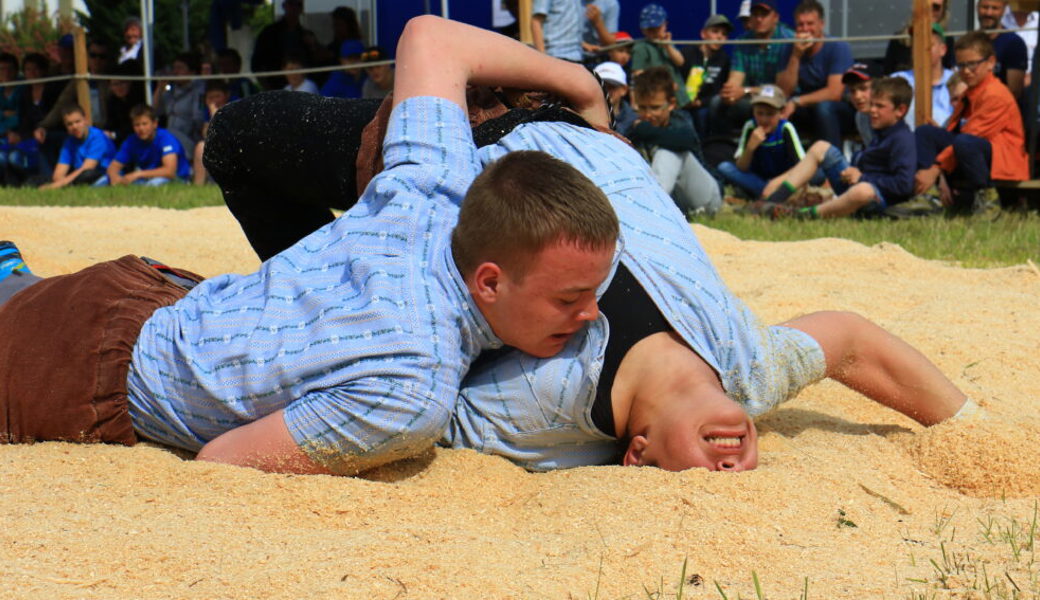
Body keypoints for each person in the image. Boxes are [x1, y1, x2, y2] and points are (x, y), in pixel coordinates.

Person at [198, 19, 972, 473]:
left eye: (706, 481)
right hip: (565, 122)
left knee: (234, 137)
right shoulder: (752, 369)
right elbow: (850, 342)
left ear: (638, 455)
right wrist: (969, 427)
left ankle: (334, 291)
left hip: (456, 165)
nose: (732, 466)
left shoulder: (542, 417)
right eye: (741, 471)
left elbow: (399, 404)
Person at [0, 16, 620, 478]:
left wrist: (581, 87)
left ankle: (18, 282)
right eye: (569, 298)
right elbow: (221, 462)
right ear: (489, 281)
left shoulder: (434, 188)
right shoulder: (410, 390)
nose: (592, 314)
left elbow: (429, 37)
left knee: (26, 294)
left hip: (149, 291)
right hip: (88, 370)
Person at [758, 77, 916, 219]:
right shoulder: (881, 131)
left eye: (880, 106)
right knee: (821, 147)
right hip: (856, 186)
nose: (873, 110)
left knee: (863, 190)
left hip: (876, 199)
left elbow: (904, 185)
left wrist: (862, 178)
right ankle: (771, 202)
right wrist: (853, 172)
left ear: (900, 110)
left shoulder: (902, 139)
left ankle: (798, 215)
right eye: (872, 104)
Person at [913, 32, 1029, 219]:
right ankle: (930, 196)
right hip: (972, 150)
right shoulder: (971, 92)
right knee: (926, 132)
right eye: (961, 65)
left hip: (1000, 159)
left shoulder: (995, 94)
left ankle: (988, 200)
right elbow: (954, 131)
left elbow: (972, 134)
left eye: (973, 64)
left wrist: (935, 169)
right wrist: (936, 171)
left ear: (991, 62)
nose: (966, 71)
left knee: (965, 142)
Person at [628, 66, 722, 216]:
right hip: (675, 204)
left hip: (704, 199)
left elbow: (686, 140)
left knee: (669, 149)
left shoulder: (681, 121)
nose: (648, 114)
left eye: (655, 107)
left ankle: (649, 210)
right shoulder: (634, 126)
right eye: (642, 107)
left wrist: (644, 130)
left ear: (671, 104)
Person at [774, 0, 854, 147]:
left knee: (824, 108)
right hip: (807, 105)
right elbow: (784, 91)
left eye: (810, 24)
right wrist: (795, 56)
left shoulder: (838, 47)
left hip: (839, 108)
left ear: (821, 25)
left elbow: (834, 93)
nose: (805, 29)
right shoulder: (789, 49)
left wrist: (796, 101)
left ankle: (831, 157)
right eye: (800, 24)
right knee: (777, 110)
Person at [713, 0, 795, 136]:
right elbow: (735, 80)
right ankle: (723, 147)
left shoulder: (788, 40)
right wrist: (729, 92)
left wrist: (745, 90)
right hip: (753, 98)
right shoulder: (742, 41)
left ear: (775, 17)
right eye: (755, 14)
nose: (759, 19)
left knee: (766, 108)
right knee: (717, 103)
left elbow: (782, 91)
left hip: (782, 98)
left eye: (764, 14)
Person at [718, 85, 810, 199]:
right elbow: (742, 168)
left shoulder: (785, 128)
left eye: (770, 114)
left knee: (815, 172)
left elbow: (802, 166)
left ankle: (767, 193)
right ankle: (769, 193)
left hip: (783, 179)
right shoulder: (750, 126)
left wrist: (775, 183)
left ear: (781, 113)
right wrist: (750, 148)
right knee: (724, 167)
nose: (764, 119)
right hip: (758, 178)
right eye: (759, 113)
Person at [105, 104, 190, 186]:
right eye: (137, 125)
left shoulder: (166, 139)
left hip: (175, 179)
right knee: (104, 181)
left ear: (155, 124)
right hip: (146, 178)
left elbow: (169, 171)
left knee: (154, 183)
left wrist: (137, 174)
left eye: (144, 124)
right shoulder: (131, 141)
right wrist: (115, 179)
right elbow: (114, 167)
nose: (141, 128)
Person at [891, 24, 956, 131]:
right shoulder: (898, 80)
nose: (921, 50)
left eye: (928, 46)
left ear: (943, 50)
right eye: (917, 45)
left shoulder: (957, 81)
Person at [38, 104, 116, 189]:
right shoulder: (69, 142)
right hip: (81, 177)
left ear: (85, 120)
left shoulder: (98, 137)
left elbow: (87, 168)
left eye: (78, 122)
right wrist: (59, 183)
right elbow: (58, 175)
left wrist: (56, 185)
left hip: (104, 176)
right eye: (69, 124)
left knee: (87, 174)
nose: (74, 127)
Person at [681, 14, 732, 138]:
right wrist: (683, 100)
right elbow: (677, 80)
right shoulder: (687, 53)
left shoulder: (724, 59)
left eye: (724, 34)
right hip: (683, 103)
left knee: (703, 114)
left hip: (705, 106)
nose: (719, 37)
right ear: (703, 34)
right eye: (715, 31)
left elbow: (720, 90)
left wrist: (701, 102)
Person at [251, 0, 320, 90]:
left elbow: (318, 61)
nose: (294, 8)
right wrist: (268, 89)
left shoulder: (306, 35)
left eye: (298, 5)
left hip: (303, 88)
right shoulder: (269, 33)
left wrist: (313, 46)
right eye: (291, 4)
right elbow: (256, 65)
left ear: (302, 9)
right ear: (284, 6)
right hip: (275, 86)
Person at [630, 3, 689, 108]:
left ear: (665, 25)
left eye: (657, 28)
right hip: (656, 97)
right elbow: (638, 74)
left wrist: (668, 46)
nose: (653, 32)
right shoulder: (640, 48)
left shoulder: (666, 43)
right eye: (650, 29)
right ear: (643, 30)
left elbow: (680, 62)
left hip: (677, 97)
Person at [883, 0, 955, 73]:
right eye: (925, 5)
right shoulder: (899, 39)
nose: (929, 10)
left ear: (943, 11)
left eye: (936, 7)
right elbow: (887, 73)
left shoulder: (948, 40)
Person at [153, 52, 205, 152]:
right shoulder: (171, 90)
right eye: (174, 68)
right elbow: (155, 111)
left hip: (188, 139)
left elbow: (198, 121)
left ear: (191, 72)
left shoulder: (198, 90)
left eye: (180, 68)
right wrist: (160, 88)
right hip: (169, 137)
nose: (175, 72)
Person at [977, 0, 1027, 100]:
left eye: (995, 8)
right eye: (985, 7)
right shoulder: (969, 41)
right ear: (977, 8)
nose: (989, 13)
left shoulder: (1013, 43)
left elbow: (1014, 91)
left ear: (1003, 11)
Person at [192, 80, 233, 185]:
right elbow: (206, 135)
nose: (214, 100)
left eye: (217, 96)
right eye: (210, 97)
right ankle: (198, 185)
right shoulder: (207, 111)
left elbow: (227, 135)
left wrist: (215, 115)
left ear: (226, 96)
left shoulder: (234, 108)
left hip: (232, 146)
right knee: (200, 146)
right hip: (216, 146)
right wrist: (213, 115)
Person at [594, 61, 636, 136]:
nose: (605, 91)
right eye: (600, 86)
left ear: (624, 90)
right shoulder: (578, 115)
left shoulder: (634, 120)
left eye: (611, 87)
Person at [842, 62, 879, 146]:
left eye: (863, 88)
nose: (857, 96)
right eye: (852, 91)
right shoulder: (861, 117)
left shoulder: (895, 115)